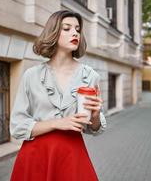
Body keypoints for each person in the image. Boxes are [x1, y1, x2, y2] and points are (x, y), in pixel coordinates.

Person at [9, 10, 107, 181]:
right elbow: (17, 127)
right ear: (53, 32)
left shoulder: (90, 76)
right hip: (36, 156)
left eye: (77, 29)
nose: (75, 32)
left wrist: (96, 116)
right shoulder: (31, 75)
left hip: (72, 155)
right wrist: (57, 123)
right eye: (67, 28)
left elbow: (93, 128)